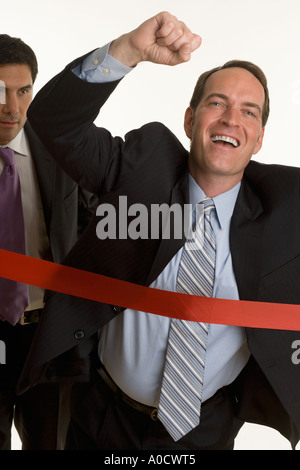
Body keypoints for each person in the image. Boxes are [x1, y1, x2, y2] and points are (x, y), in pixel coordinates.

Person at [18, 12, 300, 450]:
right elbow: (52, 121)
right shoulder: (142, 169)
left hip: (204, 430)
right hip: (102, 416)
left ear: (259, 138)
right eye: (217, 103)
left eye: (249, 111)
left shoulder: (285, 206)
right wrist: (127, 49)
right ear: (189, 120)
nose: (230, 119)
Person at [0, 34, 97, 450]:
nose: (13, 108)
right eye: (1, 93)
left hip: (49, 336)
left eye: (23, 91)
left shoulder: (60, 149)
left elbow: (99, 225)